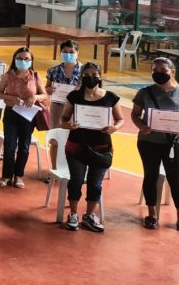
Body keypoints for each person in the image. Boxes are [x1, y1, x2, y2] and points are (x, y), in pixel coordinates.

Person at [61, 62, 123, 232]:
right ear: (81, 77)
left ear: (100, 77)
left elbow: (120, 119)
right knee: (76, 181)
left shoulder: (111, 97)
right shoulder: (74, 97)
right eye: (87, 75)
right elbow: (63, 119)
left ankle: (89, 215)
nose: (91, 78)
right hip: (76, 146)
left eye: (95, 75)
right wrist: (70, 125)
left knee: (95, 184)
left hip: (101, 148)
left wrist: (114, 128)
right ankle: (73, 213)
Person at [130, 57, 179, 229]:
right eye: (155, 71)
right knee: (150, 176)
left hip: (174, 144)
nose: (159, 74)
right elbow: (135, 114)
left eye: (163, 71)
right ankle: (152, 215)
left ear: (172, 72)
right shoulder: (145, 92)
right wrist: (142, 126)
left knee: (176, 179)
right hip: (148, 142)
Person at [0, 47, 49, 188]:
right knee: (10, 145)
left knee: (24, 147)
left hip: (28, 115)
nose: (23, 61)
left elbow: (44, 95)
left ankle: (18, 175)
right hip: (11, 113)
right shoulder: (8, 75)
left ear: (31, 61)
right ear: (14, 59)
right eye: (20, 58)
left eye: (26, 59)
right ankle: (6, 175)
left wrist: (35, 97)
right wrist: (11, 97)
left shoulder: (36, 76)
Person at [46, 40, 82, 129]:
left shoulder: (84, 71)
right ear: (60, 53)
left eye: (71, 52)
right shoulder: (53, 70)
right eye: (65, 52)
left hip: (76, 108)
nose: (68, 54)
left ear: (77, 52)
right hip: (57, 108)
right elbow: (46, 87)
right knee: (56, 135)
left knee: (73, 135)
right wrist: (48, 90)